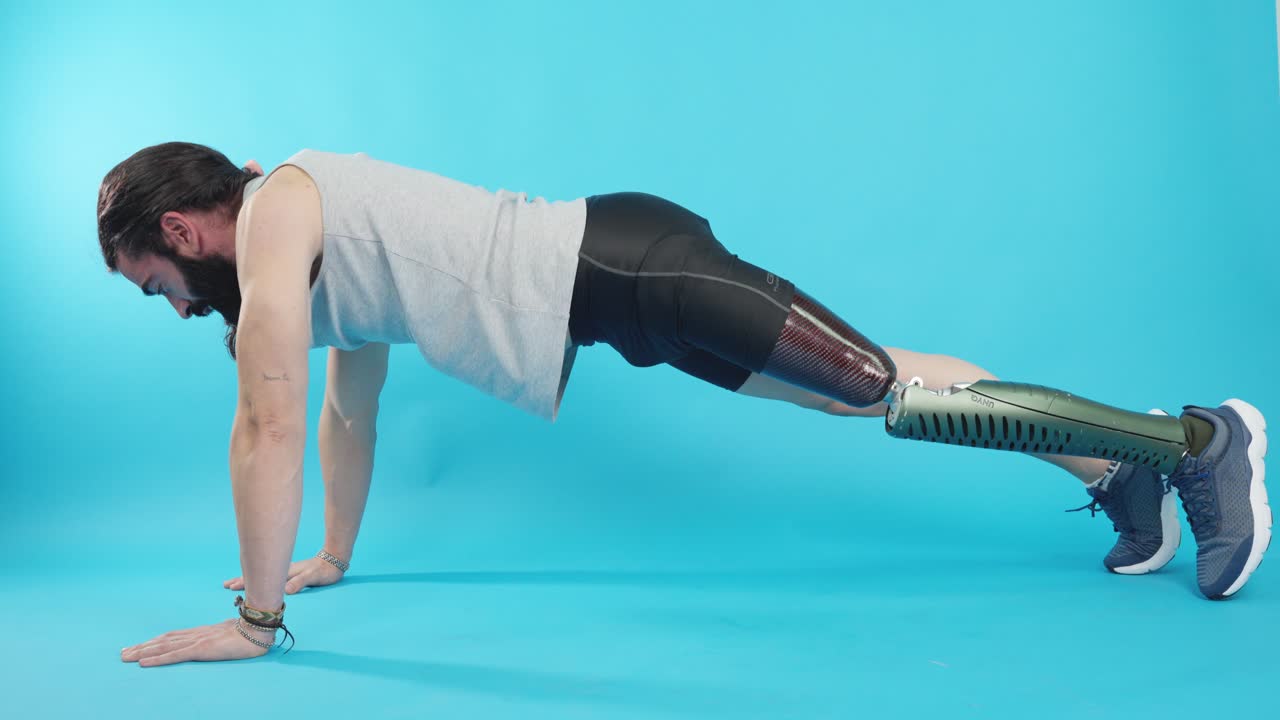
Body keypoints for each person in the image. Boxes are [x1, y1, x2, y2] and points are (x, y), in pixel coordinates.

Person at [101, 142, 1269, 668]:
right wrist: (329, 557)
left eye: (156, 284)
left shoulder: (281, 209)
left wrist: (254, 626)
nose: (171, 306)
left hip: (632, 265)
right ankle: (1112, 470)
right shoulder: (303, 267)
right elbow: (341, 410)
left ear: (180, 230)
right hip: (622, 303)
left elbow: (264, 416)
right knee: (861, 391)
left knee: (874, 387)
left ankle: (1192, 442)